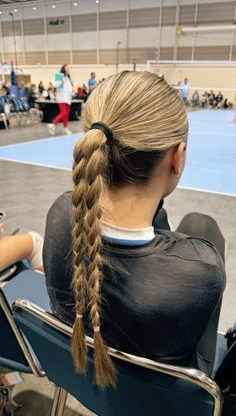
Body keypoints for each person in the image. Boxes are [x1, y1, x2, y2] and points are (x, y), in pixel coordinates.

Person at [43, 71, 225, 389]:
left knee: (165, 215)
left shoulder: (61, 212)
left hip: (78, 372)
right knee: (201, 225)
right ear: (177, 157)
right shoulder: (202, 268)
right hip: (160, 394)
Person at [48, 64, 74, 136]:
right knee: (64, 113)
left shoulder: (68, 78)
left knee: (66, 115)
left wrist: (72, 92)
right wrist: (60, 82)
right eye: (67, 67)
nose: (68, 69)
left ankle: (65, 128)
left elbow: (70, 88)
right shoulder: (59, 75)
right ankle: (53, 124)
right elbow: (55, 84)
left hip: (68, 98)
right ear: (63, 68)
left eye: (69, 68)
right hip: (61, 98)